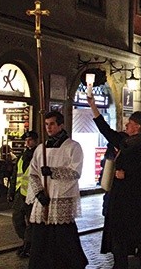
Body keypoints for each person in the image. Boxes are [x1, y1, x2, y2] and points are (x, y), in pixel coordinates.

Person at [87, 96, 141, 269]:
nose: (126, 125)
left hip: (139, 203)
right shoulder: (124, 142)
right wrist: (93, 105)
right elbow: (105, 129)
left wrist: (127, 175)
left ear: (137, 127)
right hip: (120, 201)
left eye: (130, 123)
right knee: (119, 239)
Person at [26, 111, 88, 269]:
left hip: (62, 198)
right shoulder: (41, 149)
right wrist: (39, 192)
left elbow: (75, 172)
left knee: (63, 237)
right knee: (41, 238)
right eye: (46, 124)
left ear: (61, 125)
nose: (49, 127)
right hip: (44, 200)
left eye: (52, 124)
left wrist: (53, 171)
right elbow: (32, 173)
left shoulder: (73, 147)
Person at [8, 131, 39, 258]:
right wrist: (11, 191)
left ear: (36, 141)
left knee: (31, 222)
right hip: (20, 193)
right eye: (26, 140)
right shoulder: (22, 156)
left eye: (30, 140)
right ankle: (26, 241)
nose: (27, 142)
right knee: (17, 219)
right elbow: (15, 175)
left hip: (33, 194)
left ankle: (28, 244)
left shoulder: (39, 155)